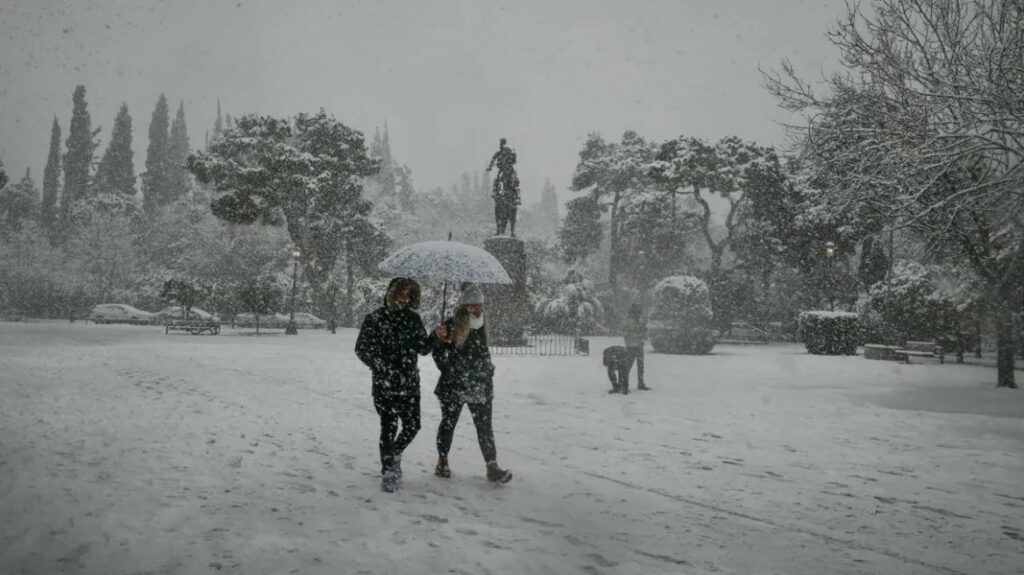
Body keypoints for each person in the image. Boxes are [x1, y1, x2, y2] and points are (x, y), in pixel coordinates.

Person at [355, 277, 442, 492]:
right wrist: (380, 366)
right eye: (400, 294)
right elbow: (361, 349)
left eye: (408, 295)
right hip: (385, 383)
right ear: (391, 293)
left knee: (413, 425)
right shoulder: (374, 319)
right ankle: (389, 471)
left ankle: (393, 455)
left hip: (409, 381)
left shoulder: (413, 319)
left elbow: (422, 348)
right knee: (389, 426)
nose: (404, 299)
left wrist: (435, 337)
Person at [432, 284, 513, 483]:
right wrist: (450, 369)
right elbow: (438, 352)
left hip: (480, 384)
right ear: (465, 306)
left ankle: (491, 466)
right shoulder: (452, 325)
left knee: (485, 427)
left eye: (479, 305)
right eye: (473, 305)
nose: (477, 309)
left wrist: (488, 369)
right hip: (454, 385)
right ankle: (442, 460)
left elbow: (482, 352)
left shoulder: (484, 324)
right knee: (448, 423)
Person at [486, 138, 521, 237]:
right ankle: (496, 192)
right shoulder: (499, 153)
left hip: (509, 171)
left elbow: (514, 159)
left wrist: (509, 162)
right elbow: (493, 159)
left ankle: (517, 197)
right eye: (501, 144)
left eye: (502, 144)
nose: (501, 145)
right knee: (498, 181)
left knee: (514, 182)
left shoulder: (510, 151)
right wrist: (490, 166)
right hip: (502, 171)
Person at [623, 303, 651, 391]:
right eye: (637, 312)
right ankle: (624, 384)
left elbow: (644, 330)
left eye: (639, 312)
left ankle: (640, 383)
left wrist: (643, 337)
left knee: (640, 365)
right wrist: (639, 335)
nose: (638, 314)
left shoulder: (640, 321)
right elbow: (626, 332)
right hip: (631, 345)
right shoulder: (628, 321)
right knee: (628, 365)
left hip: (638, 345)